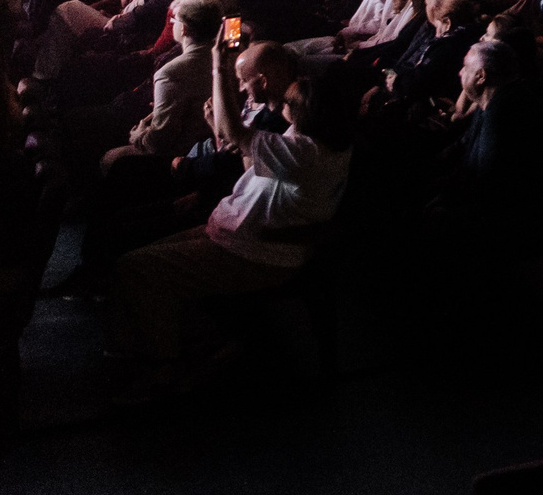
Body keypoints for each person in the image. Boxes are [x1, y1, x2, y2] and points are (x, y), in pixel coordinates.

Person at [107, 40, 357, 400]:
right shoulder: (318, 142)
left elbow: (234, 135)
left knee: (135, 268)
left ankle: (165, 364)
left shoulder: (305, 152)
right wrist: (221, 128)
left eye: (290, 101)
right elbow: (247, 157)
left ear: (306, 111)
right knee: (138, 259)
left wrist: (218, 67)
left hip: (253, 252)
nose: (283, 103)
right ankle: (175, 343)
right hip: (240, 236)